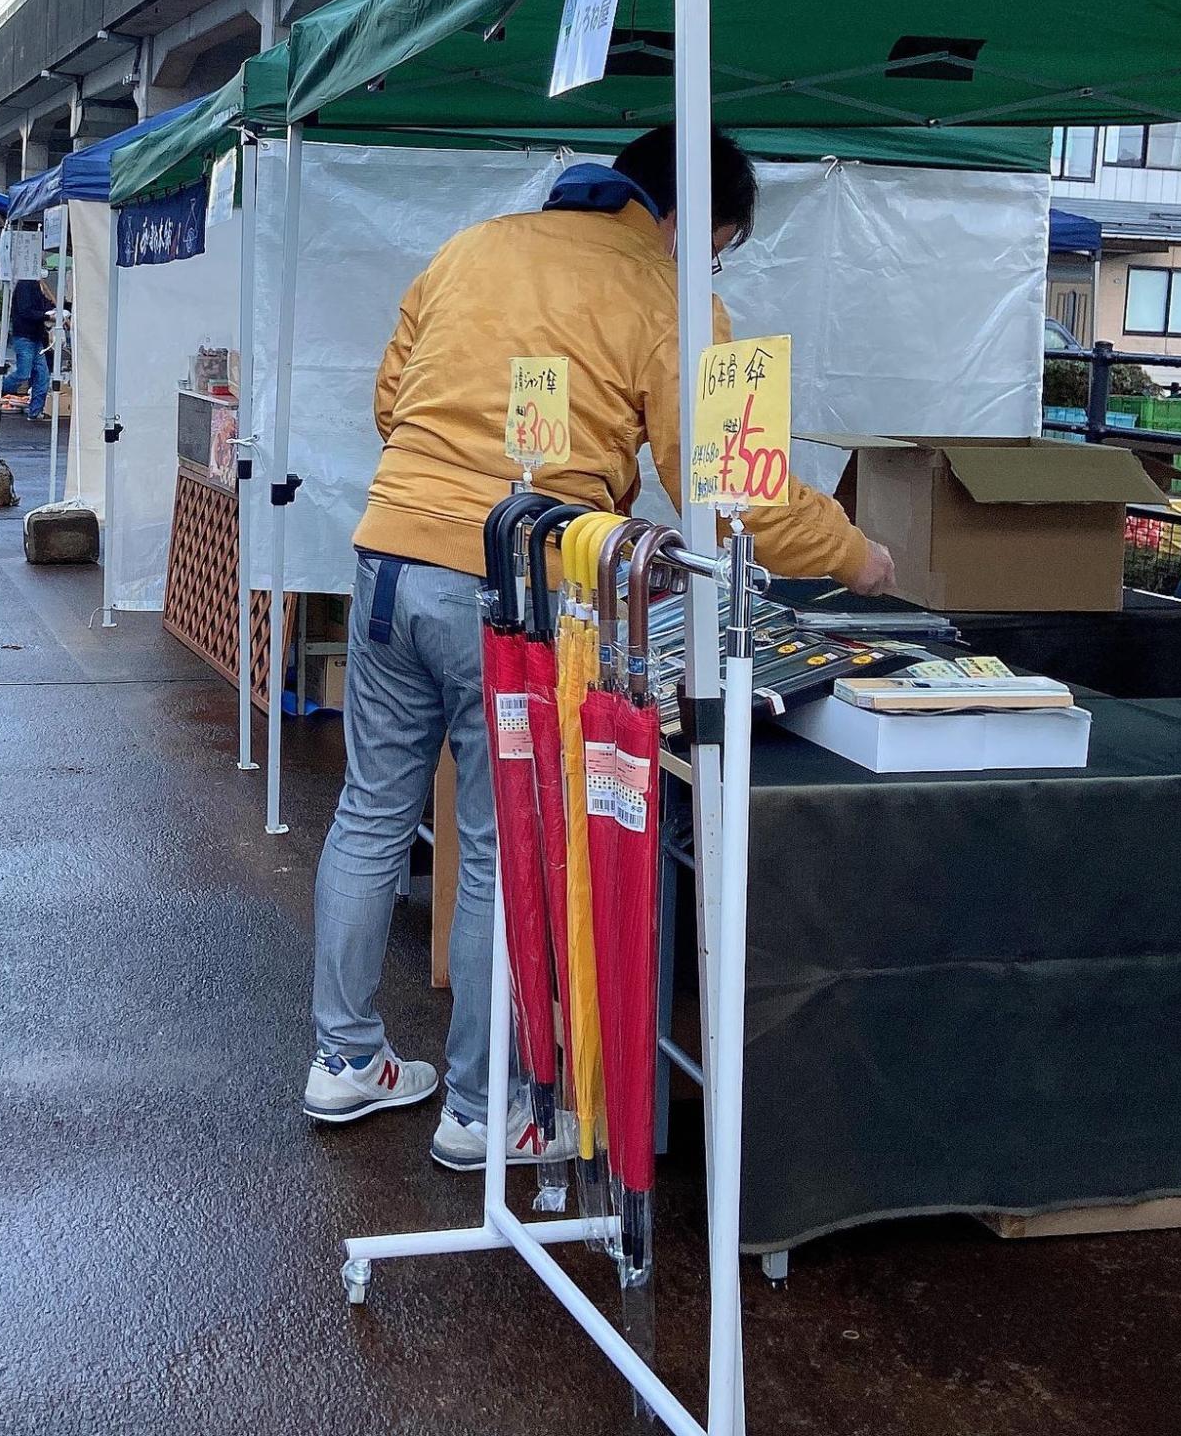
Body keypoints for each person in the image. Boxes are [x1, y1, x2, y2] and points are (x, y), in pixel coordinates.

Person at [303, 127, 895, 1171]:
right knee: (499, 841)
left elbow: (392, 400)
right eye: (713, 245)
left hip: (390, 551)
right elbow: (731, 480)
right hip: (515, 583)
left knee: (367, 810)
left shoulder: (472, 245)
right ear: (681, 219)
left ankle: (344, 1058)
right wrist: (854, 554)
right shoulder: (669, 300)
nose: (706, 267)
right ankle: (487, 1111)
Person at [0, 277, 52, 419]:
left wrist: (57, 309)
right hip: (24, 336)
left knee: (43, 375)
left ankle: (35, 411)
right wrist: (47, 316)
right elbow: (26, 311)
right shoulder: (26, 284)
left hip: (35, 337)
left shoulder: (34, 285)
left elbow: (44, 304)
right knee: (24, 374)